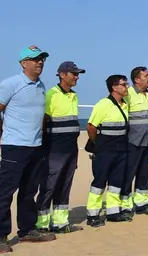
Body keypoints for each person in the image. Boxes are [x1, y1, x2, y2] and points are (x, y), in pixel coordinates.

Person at [0, 46, 56, 250]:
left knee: (28, 191)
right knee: (5, 192)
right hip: (14, 146)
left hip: (35, 146)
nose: (40, 62)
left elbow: (40, 117)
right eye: (35, 59)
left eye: (42, 59)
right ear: (24, 63)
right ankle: (0, 236)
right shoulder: (11, 84)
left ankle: (27, 231)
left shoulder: (41, 86)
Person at [36, 61, 85, 233]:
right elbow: (43, 120)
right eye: (74, 74)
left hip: (71, 148)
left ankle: (60, 222)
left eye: (78, 74)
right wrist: (43, 146)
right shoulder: (51, 94)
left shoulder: (74, 95)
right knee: (49, 185)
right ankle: (41, 224)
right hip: (54, 148)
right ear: (63, 75)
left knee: (65, 184)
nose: (77, 77)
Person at [85, 74, 133, 226]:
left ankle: (113, 212)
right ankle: (92, 215)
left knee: (116, 182)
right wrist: (97, 145)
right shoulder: (103, 104)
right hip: (105, 150)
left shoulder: (125, 104)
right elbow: (91, 126)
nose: (127, 87)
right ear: (114, 87)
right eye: (124, 84)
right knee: (99, 182)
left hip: (121, 149)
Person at [122, 66, 148, 216]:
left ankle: (142, 204)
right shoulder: (128, 94)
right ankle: (125, 206)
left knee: (144, 174)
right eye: (146, 75)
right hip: (132, 142)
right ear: (137, 80)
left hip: (147, 142)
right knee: (128, 174)